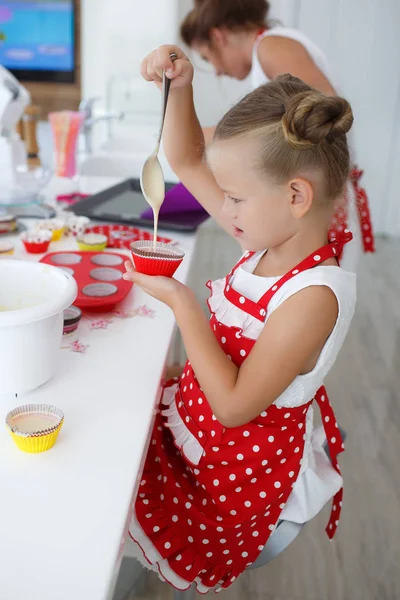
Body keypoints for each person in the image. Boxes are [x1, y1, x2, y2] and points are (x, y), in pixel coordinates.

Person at [124, 45, 356, 594]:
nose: (220, 210)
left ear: (296, 195)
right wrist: (181, 89)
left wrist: (183, 303)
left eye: (233, 198)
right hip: (198, 433)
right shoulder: (268, 235)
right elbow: (186, 160)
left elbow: (232, 408)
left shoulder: (312, 296)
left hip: (228, 480)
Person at [180, 0, 374, 272]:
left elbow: (319, 107)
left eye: (207, 57)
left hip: (313, 212)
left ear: (218, 36)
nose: (217, 70)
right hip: (305, 207)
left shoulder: (271, 47)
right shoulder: (272, 48)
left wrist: (199, 137)